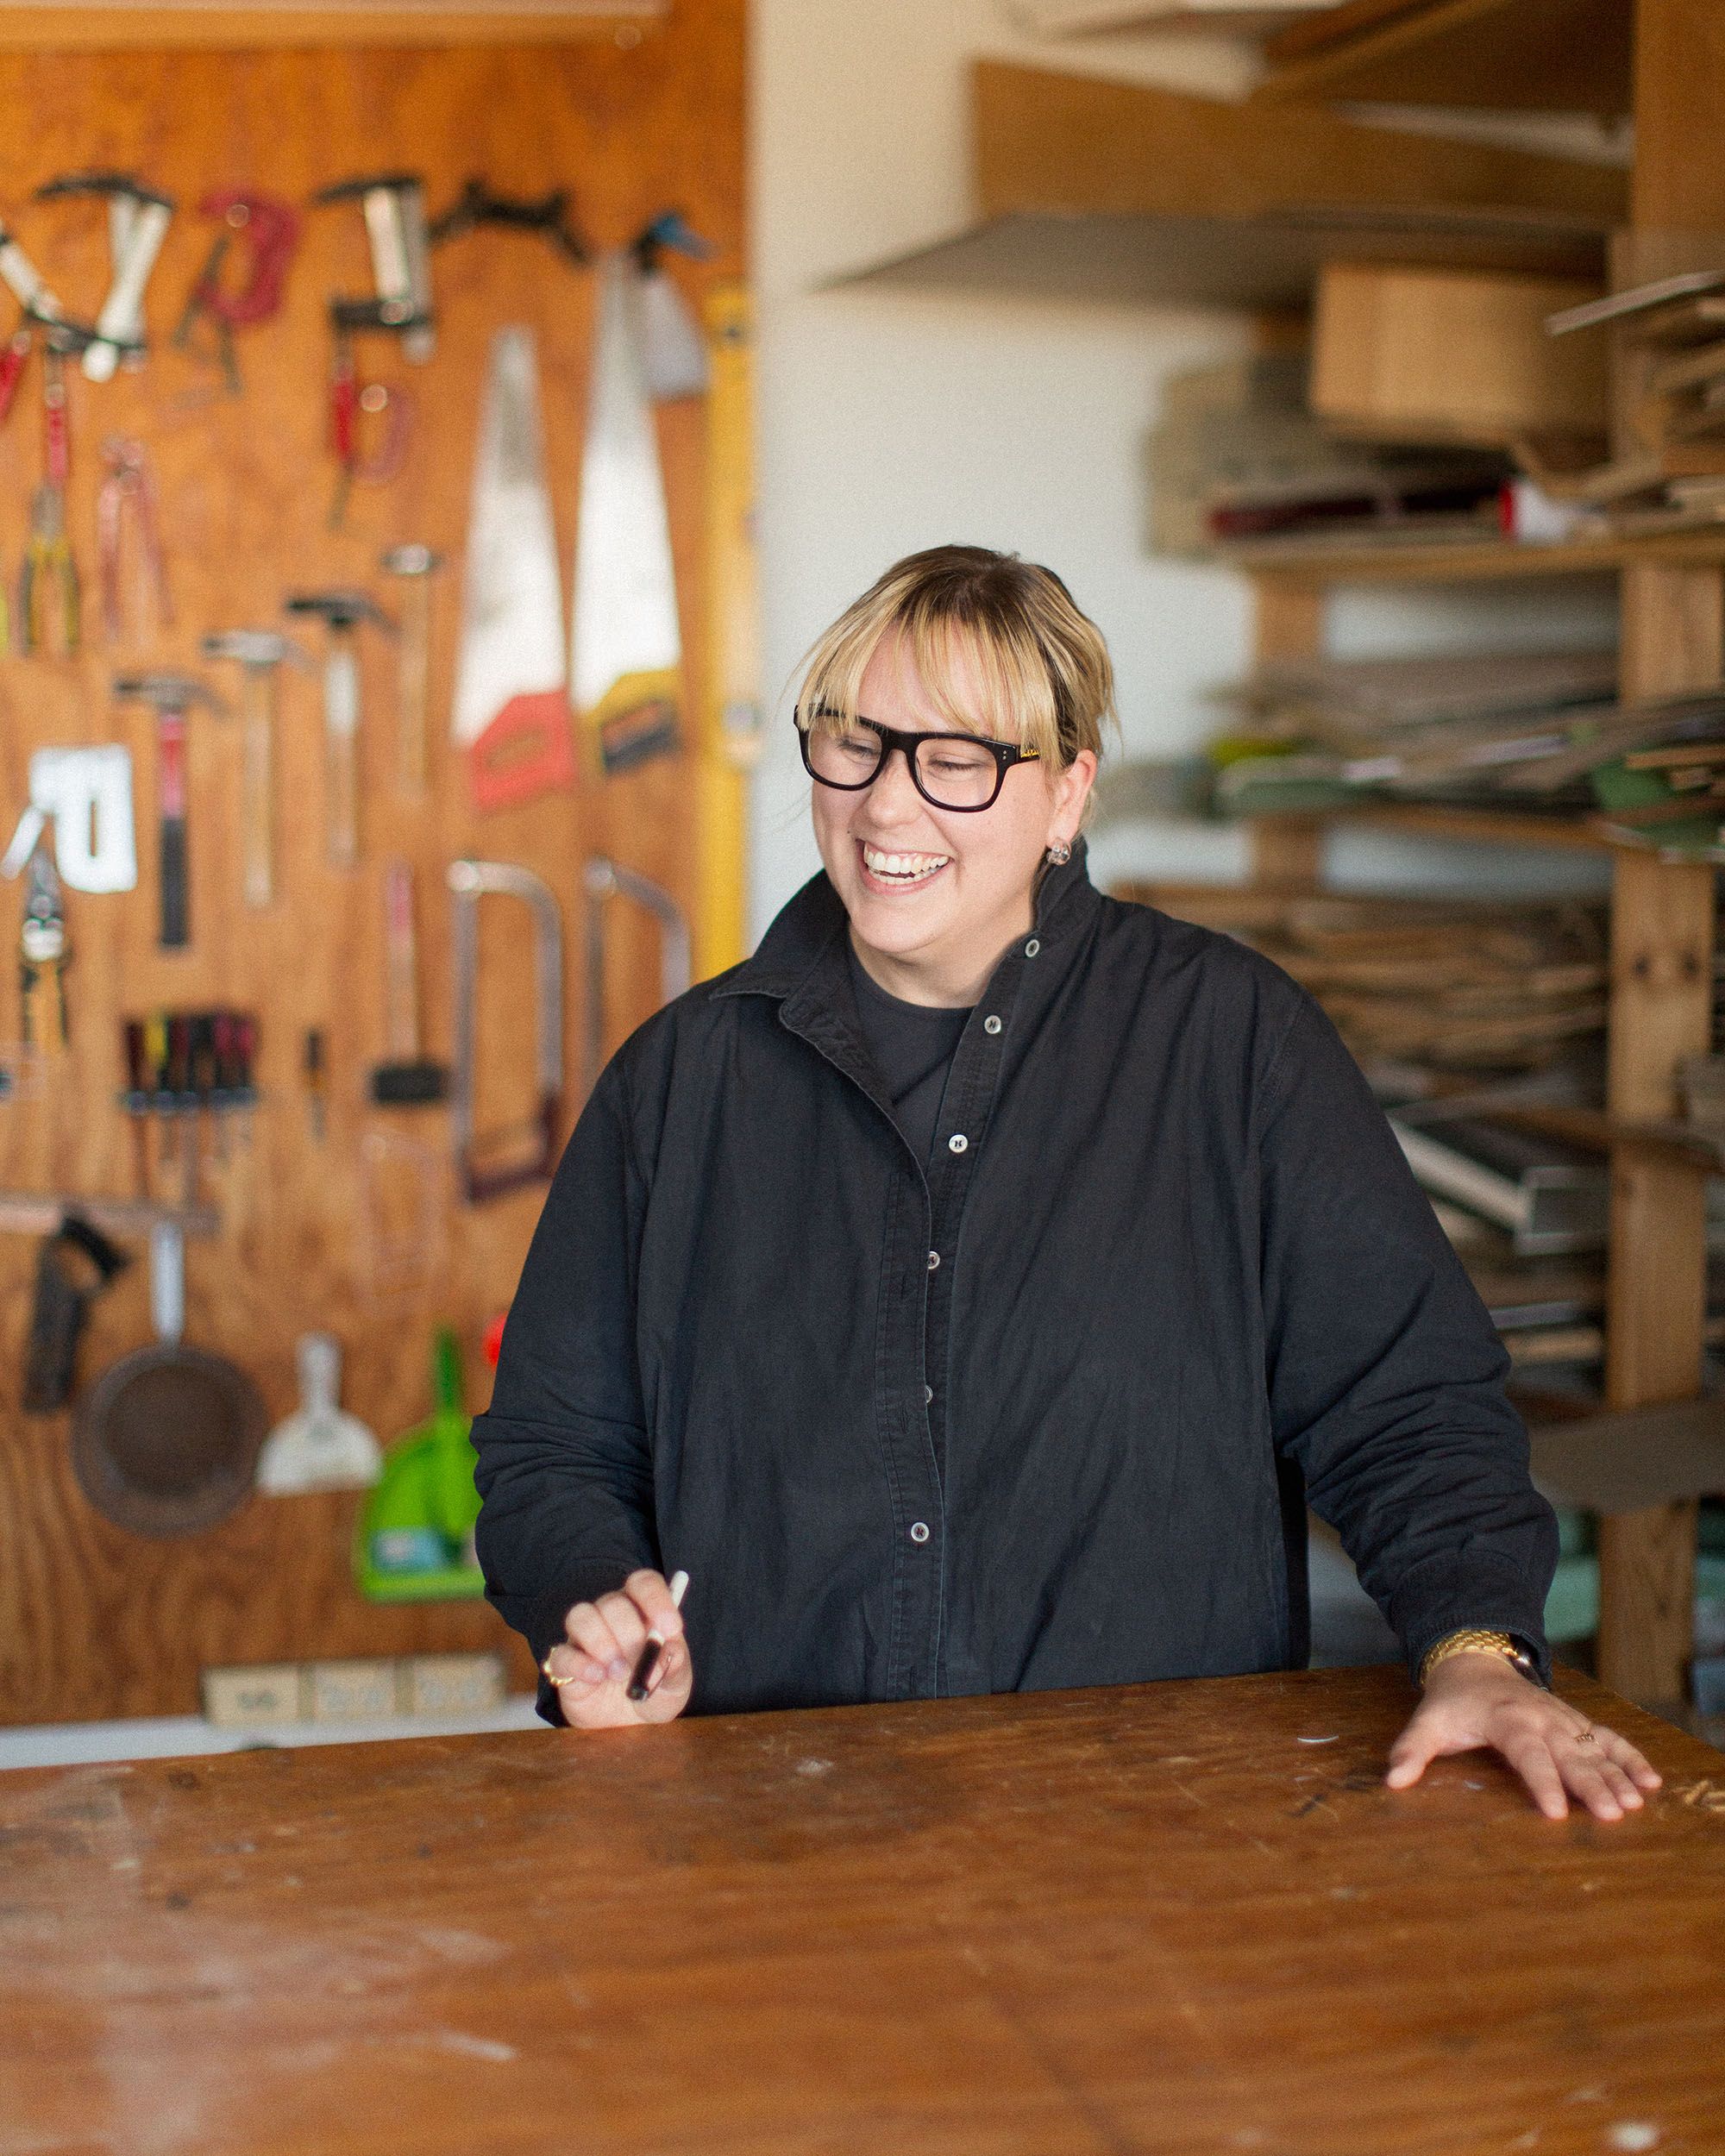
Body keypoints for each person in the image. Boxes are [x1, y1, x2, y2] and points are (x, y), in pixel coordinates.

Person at [473, 543, 1660, 1825]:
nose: (886, 807)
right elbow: (553, 1451)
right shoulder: (681, 1083)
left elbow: (1408, 1408)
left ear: (1067, 794)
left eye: (959, 759)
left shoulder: (1227, 1044)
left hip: (1155, 1830)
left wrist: (1477, 1653)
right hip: (765, 1830)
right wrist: (595, 1612)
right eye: (855, 742)